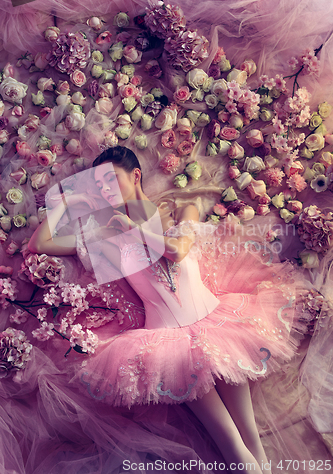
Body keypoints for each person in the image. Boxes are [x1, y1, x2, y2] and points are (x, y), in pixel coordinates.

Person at [28, 145, 304, 474]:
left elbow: (175, 252)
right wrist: (69, 202)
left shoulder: (181, 212)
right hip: (169, 346)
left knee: (251, 437)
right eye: (98, 185)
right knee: (230, 443)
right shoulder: (105, 240)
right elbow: (39, 244)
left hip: (220, 325)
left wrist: (135, 228)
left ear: (136, 176)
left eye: (111, 180)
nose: (104, 190)